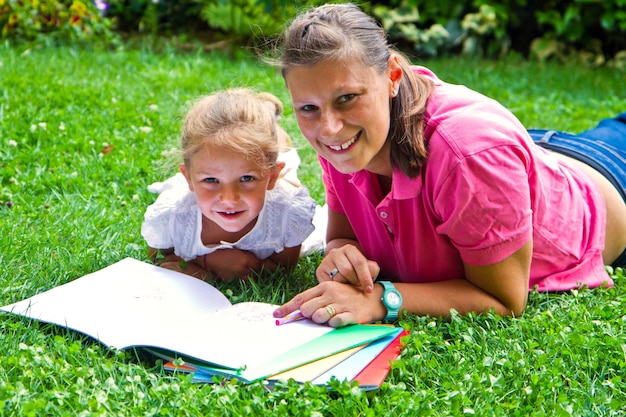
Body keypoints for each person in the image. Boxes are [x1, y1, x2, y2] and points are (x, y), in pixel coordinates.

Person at [271, 3, 626, 327]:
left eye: (347, 98)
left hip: (607, 170)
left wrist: (383, 299)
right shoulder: (341, 138)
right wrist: (340, 256)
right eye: (308, 108)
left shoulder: (468, 155)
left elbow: (504, 299)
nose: (329, 127)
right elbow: (342, 236)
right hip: (527, 158)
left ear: (392, 77)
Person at [141, 88, 319, 281]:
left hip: (279, 182)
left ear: (271, 177)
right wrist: (207, 263)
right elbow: (157, 255)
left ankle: (271, 118)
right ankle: (266, 112)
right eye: (211, 180)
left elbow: (282, 271)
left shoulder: (286, 215)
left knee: (288, 158)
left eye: (246, 178)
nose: (229, 198)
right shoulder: (173, 217)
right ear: (189, 179)